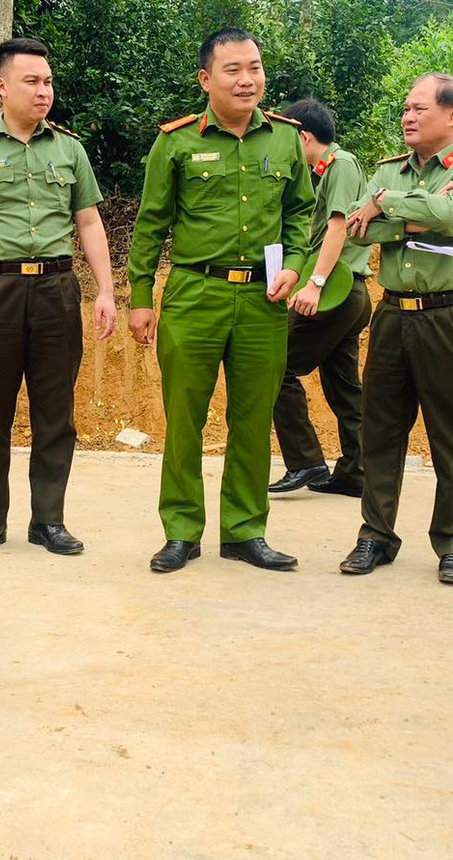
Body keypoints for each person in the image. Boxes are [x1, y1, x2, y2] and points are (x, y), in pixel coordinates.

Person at [127, 28, 314, 573]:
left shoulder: (285, 139)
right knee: (184, 418)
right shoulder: (177, 141)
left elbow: (301, 211)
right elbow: (150, 225)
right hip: (194, 293)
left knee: (254, 418)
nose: (247, 79)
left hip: (263, 297)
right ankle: (181, 530)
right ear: (207, 79)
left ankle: (244, 531)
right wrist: (141, 297)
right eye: (233, 69)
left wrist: (297, 266)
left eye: (254, 67)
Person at [0, 38, 115, 559]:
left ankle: (49, 520)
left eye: (49, 82)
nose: (44, 92)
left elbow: (89, 221)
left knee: (55, 411)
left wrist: (105, 289)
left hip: (57, 290)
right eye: (32, 82)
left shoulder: (70, 149)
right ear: (2, 86)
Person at [338, 74, 453, 585]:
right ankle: (375, 536)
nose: (407, 116)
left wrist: (387, 203)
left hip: (449, 314)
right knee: (379, 429)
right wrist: (409, 213)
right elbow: (366, 230)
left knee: (451, 432)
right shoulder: (389, 170)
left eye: (418, 108)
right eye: (405, 108)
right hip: (392, 313)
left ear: (452, 115)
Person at [267, 98, 373, 499]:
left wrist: (313, 283)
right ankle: (357, 471)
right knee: (344, 386)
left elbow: (338, 228)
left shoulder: (340, 164)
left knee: (277, 368)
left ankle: (305, 460)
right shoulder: (318, 173)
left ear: (304, 136)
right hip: (345, 293)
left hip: (335, 291)